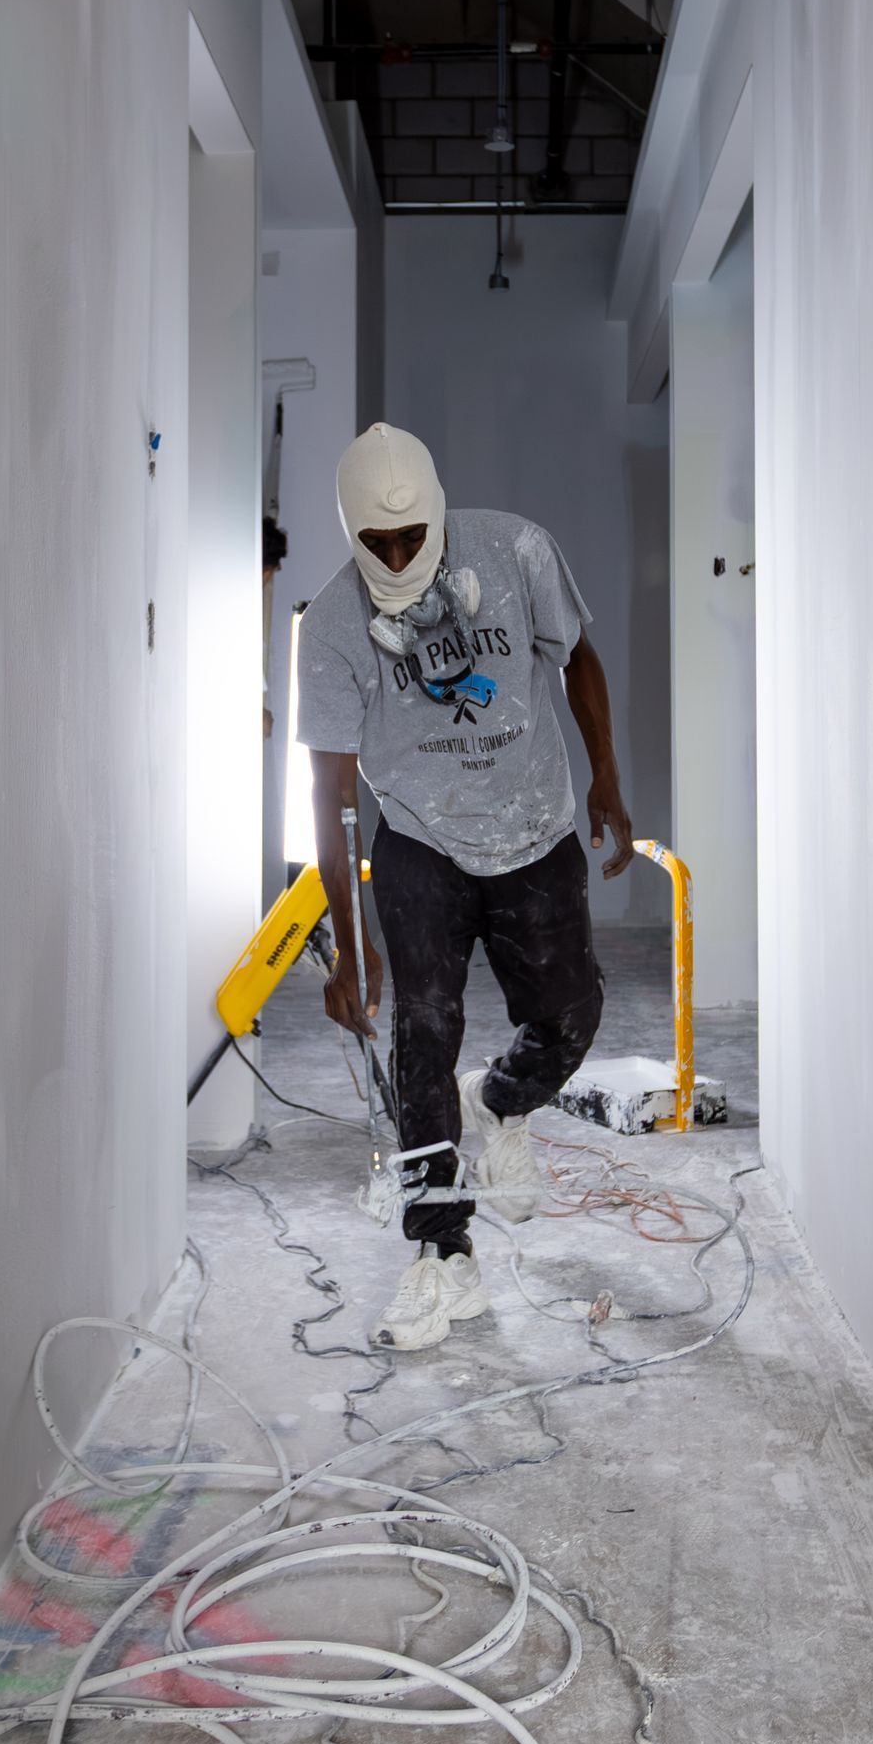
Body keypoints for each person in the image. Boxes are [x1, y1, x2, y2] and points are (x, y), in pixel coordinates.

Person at [295, 422, 634, 1350]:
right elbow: (328, 793)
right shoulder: (330, 627)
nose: (399, 556)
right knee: (422, 1033)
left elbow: (578, 661)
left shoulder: (516, 550)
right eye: (379, 544)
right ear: (352, 533)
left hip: (533, 828)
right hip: (421, 842)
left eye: (413, 539)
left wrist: (604, 774)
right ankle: (443, 1258)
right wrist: (349, 933)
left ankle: (505, 1103)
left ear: (440, 515)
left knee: (572, 1014)